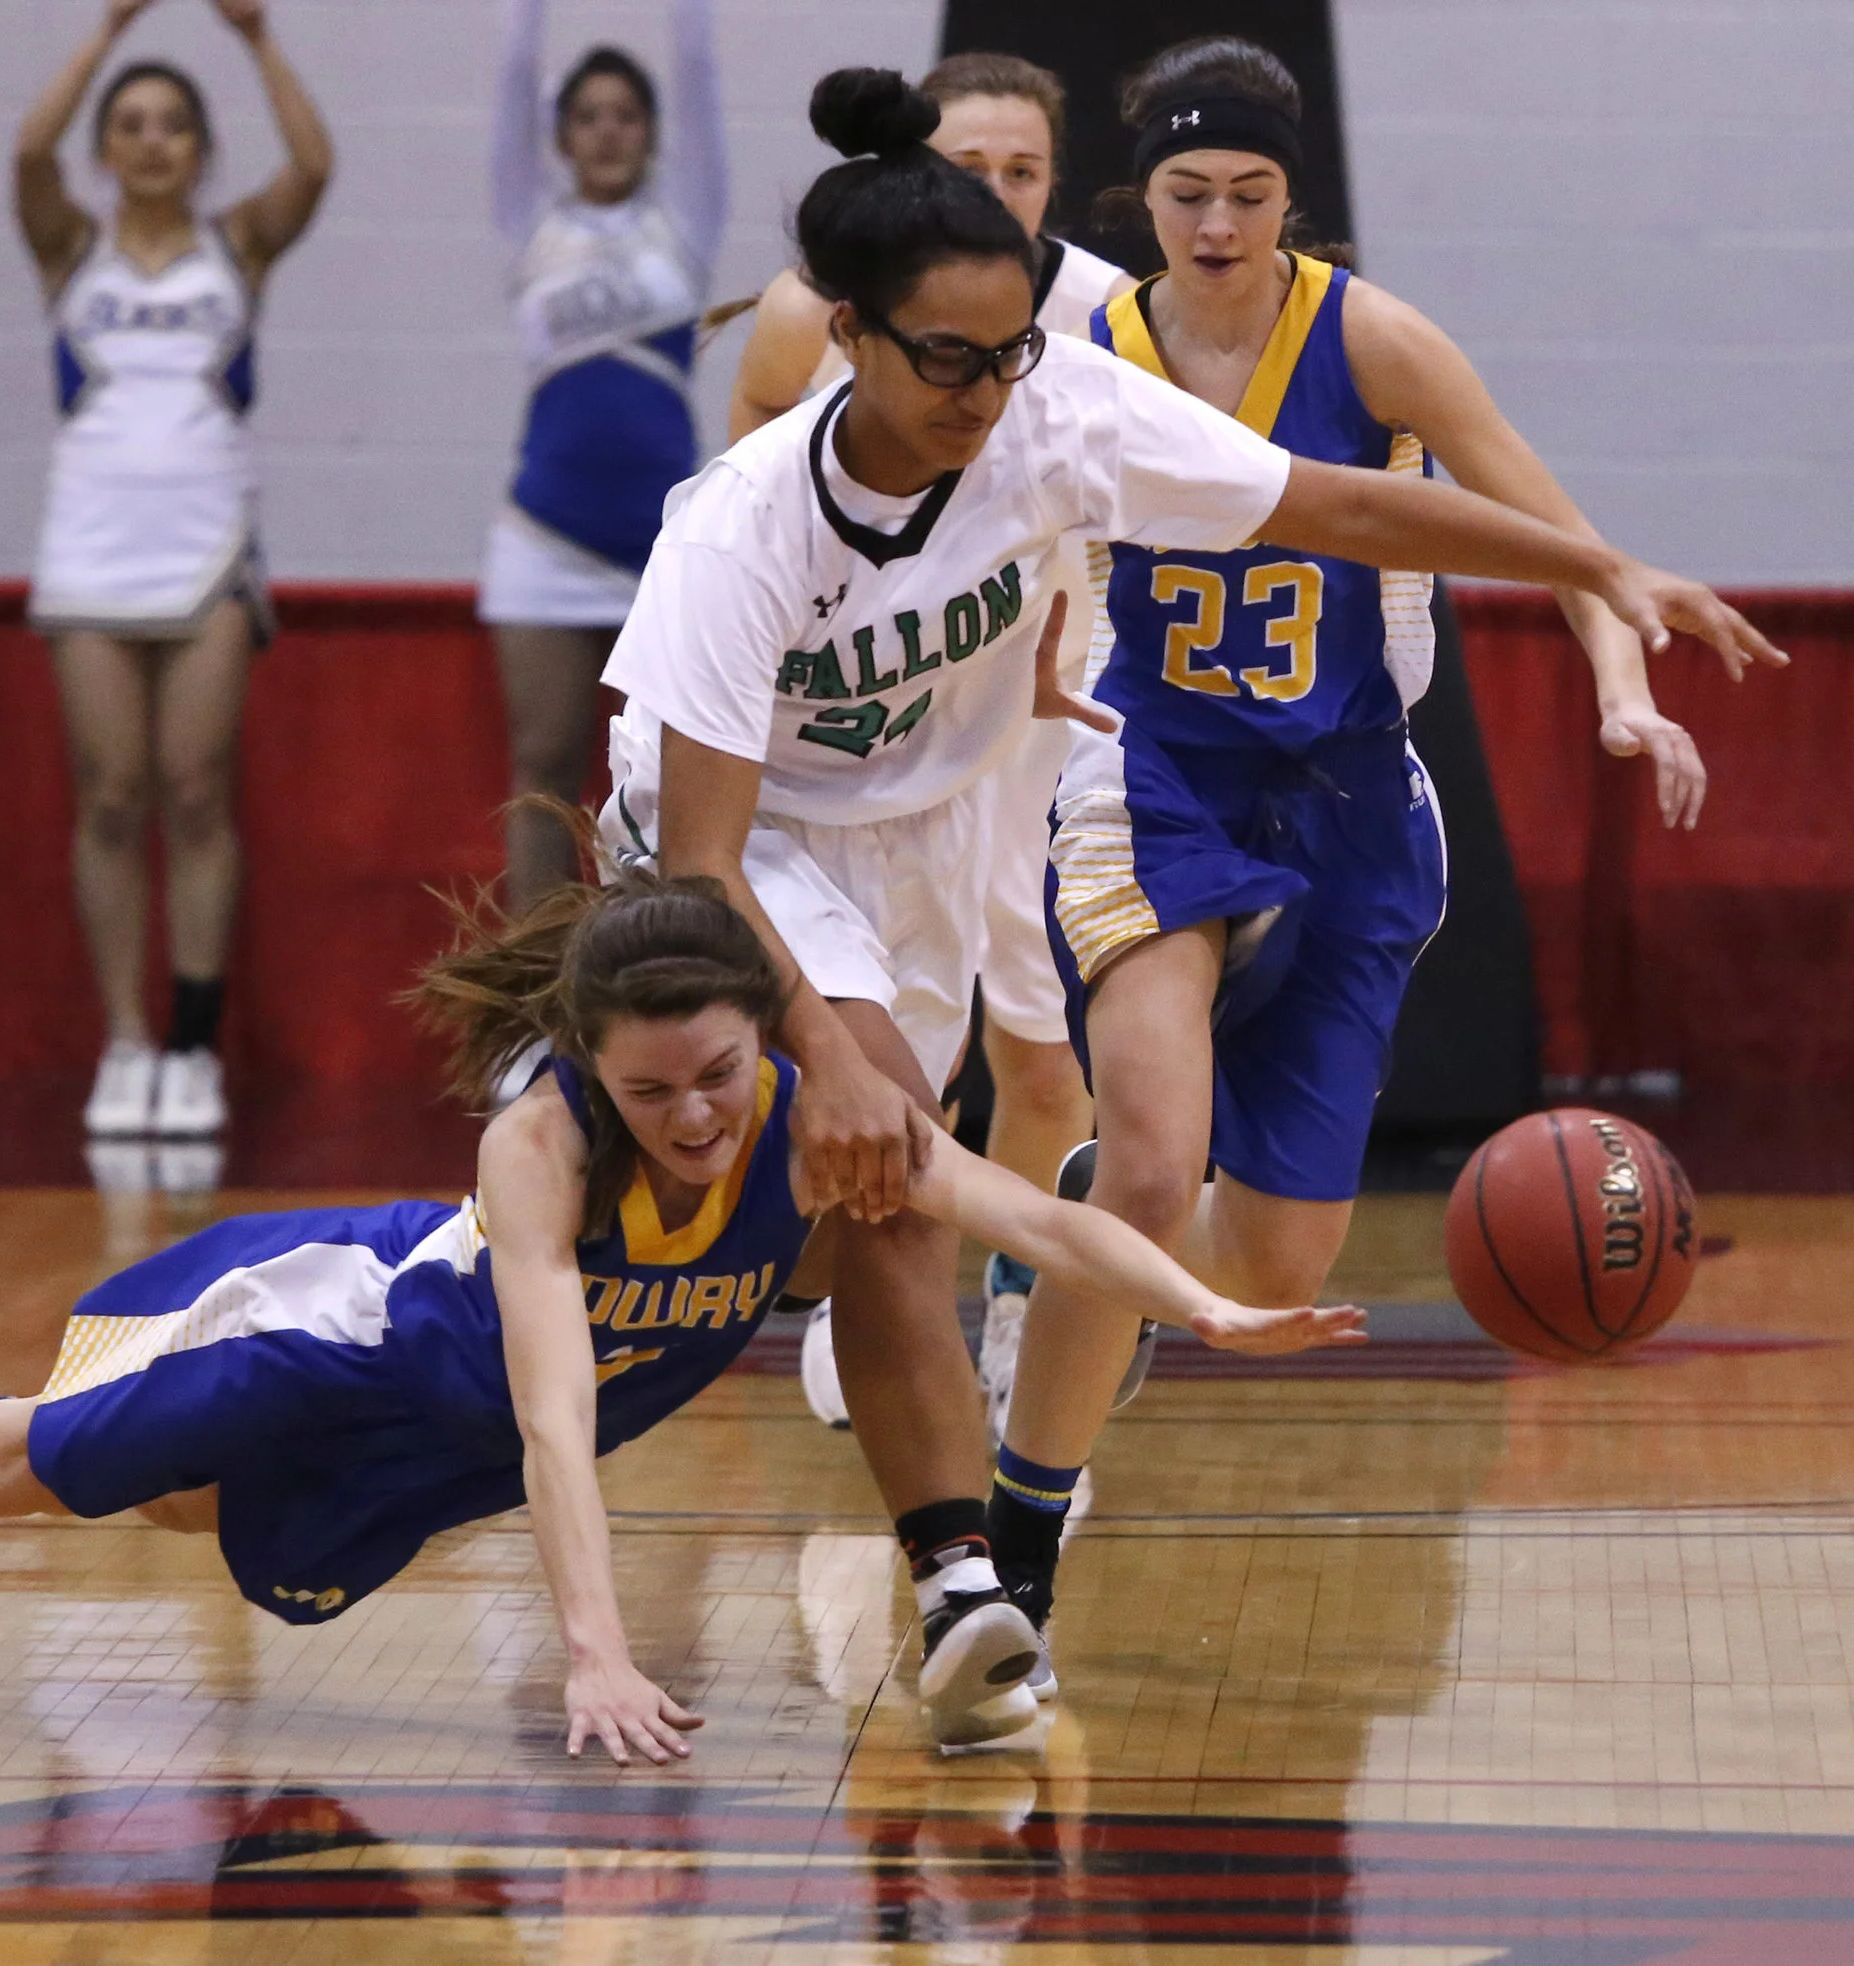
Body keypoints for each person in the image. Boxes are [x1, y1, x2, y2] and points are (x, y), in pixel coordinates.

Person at [594, 67, 1781, 1713]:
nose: (992, 391)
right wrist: (839, 1057)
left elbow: (1343, 504)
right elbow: (713, 857)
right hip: (767, 846)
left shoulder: (1064, 406)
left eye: (1011, 350)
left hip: (963, 825)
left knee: (1003, 1207)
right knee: (897, 1180)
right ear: (848, 337)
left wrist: (1596, 566)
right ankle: (972, 1581)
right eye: (949, 359)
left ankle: (971, 1502)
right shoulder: (738, 534)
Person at [0, 855, 1367, 1761]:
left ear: (758, 1033)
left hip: (420, 1448)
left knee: (181, 1518)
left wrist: (1208, 1300)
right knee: (19, 1470)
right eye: (658, 1095)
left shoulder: (807, 1117)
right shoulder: (542, 1152)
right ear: (590, 1074)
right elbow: (559, 1414)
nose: (700, 1113)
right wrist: (590, 1645)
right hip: (325, 1342)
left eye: (720, 1073)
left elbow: (1024, 1225)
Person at [990, 36, 1786, 1685]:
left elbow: (1558, 541)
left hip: (1350, 804)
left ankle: (1104, 1242)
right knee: (1151, 1161)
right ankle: (1010, 1563)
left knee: (1277, 1260)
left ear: (1299, 201)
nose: (1218, 227)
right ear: (1144, 201)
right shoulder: (1084, 344)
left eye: (1253, 196)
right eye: (1190, 196)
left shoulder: (1379, 341)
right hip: (1157, 781)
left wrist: (1628, 698)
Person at [723, 52, 1131, 1437]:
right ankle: (887, 1303)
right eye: (972, 169)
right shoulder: (807, 321)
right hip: (893, 719)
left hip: (1050, 719)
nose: (997, 193)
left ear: (1054, 181)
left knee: (1044, 1051)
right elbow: (748, 484)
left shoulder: (1098, 317)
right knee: (915, 1047)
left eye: (1023, 171)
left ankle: (1015, 1304)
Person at [17, 0, 333, 1138]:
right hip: (88, 550)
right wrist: (103, 36)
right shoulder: (68, 244)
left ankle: (192, 1042)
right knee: (109, 798)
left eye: (173, 126)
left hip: (206, 551)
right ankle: (126, 1039)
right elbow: (23, 151)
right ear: (106, 148)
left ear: (201, 149)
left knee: (194, 792)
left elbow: (313, 161)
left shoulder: (235, 244)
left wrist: (254, 41)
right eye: (131, 124)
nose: (151, 141)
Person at [481, 0, 728, 912]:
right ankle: (535, 1005)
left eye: (627, 113)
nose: (609, 130)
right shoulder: (527, 224)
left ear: (654, 133)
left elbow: (699, 73)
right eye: (588, 115)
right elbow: (510, 81)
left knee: (668, 775)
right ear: (559, 135)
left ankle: (656, 981)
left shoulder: (685, 224)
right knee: (544, 767)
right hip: (542, 540)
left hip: (663, 546)